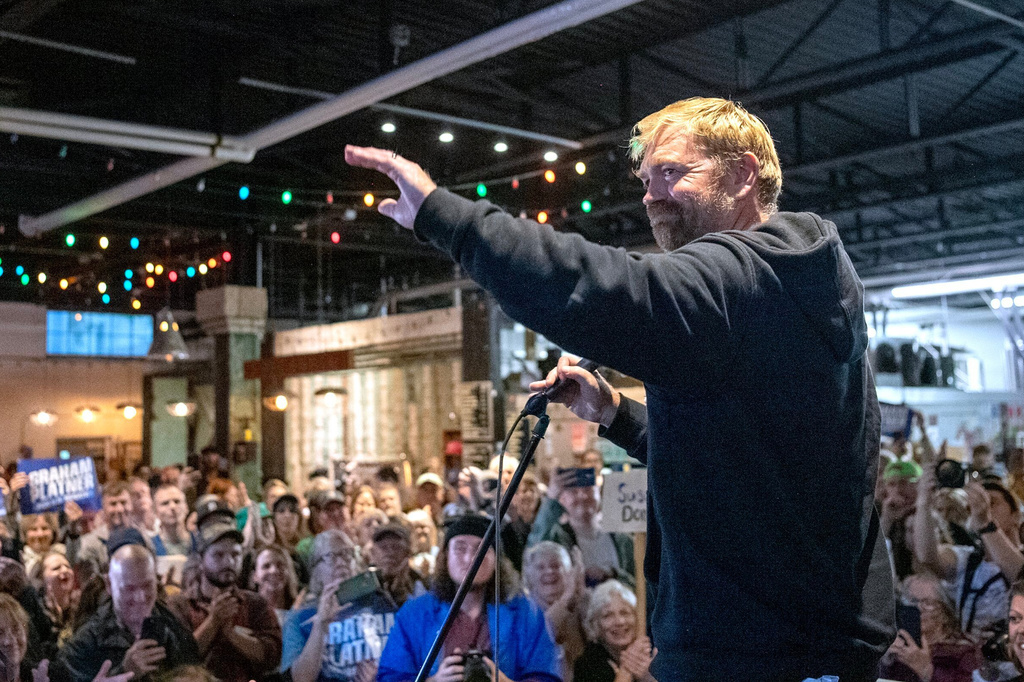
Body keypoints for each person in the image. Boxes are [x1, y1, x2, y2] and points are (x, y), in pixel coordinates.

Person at [346, 95, 896, 680]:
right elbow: (740, 463)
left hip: (771, 656)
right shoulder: (766, 295)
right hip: (756, 647)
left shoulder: (755, 274)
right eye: (645, 178)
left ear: (741, 174)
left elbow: (605, 291)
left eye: (672, 173)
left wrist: (448, 217)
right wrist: (616, 415)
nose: (650, 194)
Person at [377, 514, 560, 682]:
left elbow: (547, 675)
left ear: (496, 559)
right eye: (460, 548)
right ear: (445, 556)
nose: (469, 558)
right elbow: (390, 676)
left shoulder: (527, 613)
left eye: (481, 550)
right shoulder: (413, 615)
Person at [57, 540, 200, 682]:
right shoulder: (87, 642)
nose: (140, 597)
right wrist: (124, 672)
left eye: (147, 586)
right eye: (129, 589)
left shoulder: (172, 627)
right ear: (109, 585)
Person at [167, 512, 281, 682]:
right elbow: (177, 662)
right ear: (200, 559)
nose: (228, 562)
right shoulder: (180, 605)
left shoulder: (255, 603)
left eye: (235, 555)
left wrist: (232, 634)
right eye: (218, 555)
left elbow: (272, 657)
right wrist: (213, 622)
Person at [913, 464, 1021, 639]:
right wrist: (924, 502)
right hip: (975, 662)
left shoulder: (1018, 558)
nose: (985, 509)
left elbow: (1019, 576)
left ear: (1016, 515)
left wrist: (987, 525)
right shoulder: (967, 559)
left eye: (993, 503)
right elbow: (927, 556)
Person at [281, 529, 393, 682]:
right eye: (331, 556)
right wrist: (320, 624)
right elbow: (300, 679)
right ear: (315, 570)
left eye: (347, 554)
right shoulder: (300, 619)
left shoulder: (380, 602)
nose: (342, 562)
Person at [527, 470, 634, 588]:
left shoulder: (622, 539)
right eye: (574, 492)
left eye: (588, 489)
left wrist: (611, 574)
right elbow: (533, 552)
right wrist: (551, 499)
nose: (582, 496)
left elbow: (639, 579)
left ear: (598, 494)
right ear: (562, 499)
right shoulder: (557, 536)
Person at [878, 573, 983, 682]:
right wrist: (885, 662)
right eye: (912, 601)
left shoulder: (964, 650)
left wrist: (927, 671)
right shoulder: (897, 644)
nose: (918, 608)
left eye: (927, 603)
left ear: (945, 613)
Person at [522, 542, 588, 681]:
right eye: (540, 567)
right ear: (529, 573)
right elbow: (545, 631)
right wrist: (567, 596)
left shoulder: (581, 605)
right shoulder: (523, 610)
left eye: (556, 565)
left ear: (570, 572)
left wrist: (578, 597)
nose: (549, 572)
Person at [574, 580, 655, 682]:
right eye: (608, 615)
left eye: (625, 612)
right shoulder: (587, 665)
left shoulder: (651, 653)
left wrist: (649, 679)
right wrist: (627, 669)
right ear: (595, 625)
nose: (619, 622)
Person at [76, 482, 137, 579]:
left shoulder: (143, 537)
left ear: (132, 505)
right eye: (113, 504)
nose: (120, 509)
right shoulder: (90, 544)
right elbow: (90, 583)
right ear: (103, 508)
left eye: (123, 502)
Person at [368, 523, 426, 608]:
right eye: (383, 547)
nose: (390, 553)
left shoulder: (421, 585)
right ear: (373, 554)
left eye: (396, 547)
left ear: (408, 553)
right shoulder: (363, 585)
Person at [28, 550, 77, 646]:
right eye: (56, 568)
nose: (64, 570)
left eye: (67, 566)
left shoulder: (82, 605)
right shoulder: (37, 613)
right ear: (42, 578)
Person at [251, 545, 299, 625]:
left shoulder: (300, 610)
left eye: (280, 565)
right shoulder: (247, 614)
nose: (274, 571)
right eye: (266, 566)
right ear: (255, 576)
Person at [151, 484, 191, 557]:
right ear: (155, 512)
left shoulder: (200, 543)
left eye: (177, 501)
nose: (172, 507)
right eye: (165, 503)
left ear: (186, 507)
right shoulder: (150, 547)